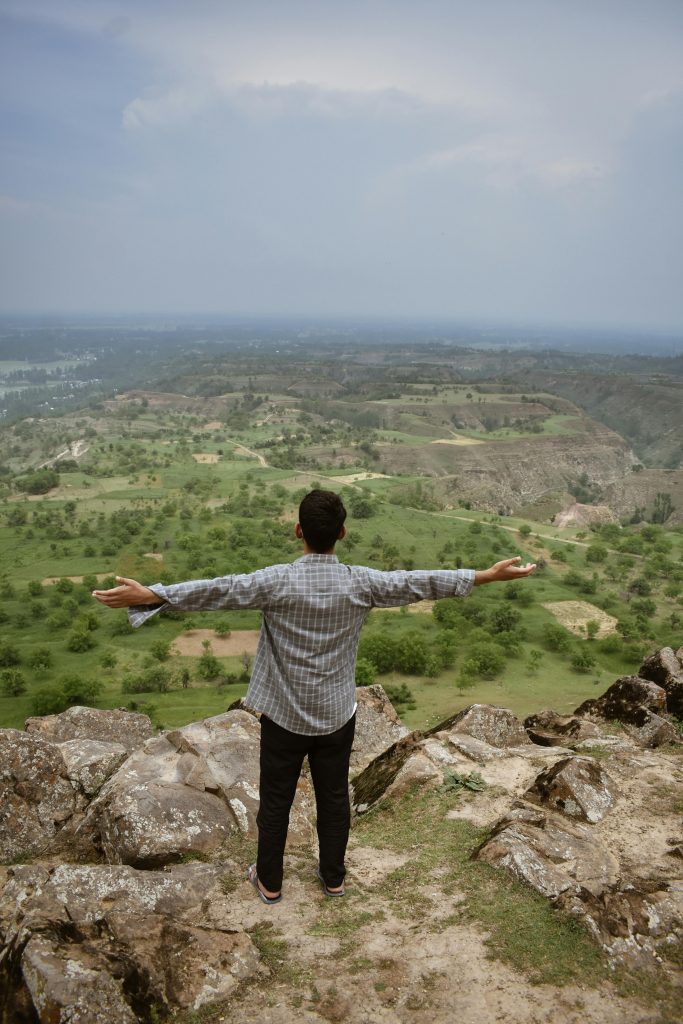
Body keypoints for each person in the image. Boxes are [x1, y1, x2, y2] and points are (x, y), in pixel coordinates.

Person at [92, 489, 535, 904]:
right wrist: (485, 576)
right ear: (342, 533)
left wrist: (154, 594)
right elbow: (417, 582)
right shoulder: (361, 582)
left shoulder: (277, 581)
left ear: (298, 530)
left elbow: (219, 589)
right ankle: (333, 877)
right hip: (337, 715)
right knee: (334, 798)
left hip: (284, 717)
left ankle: (269, 882)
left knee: (276, 800)